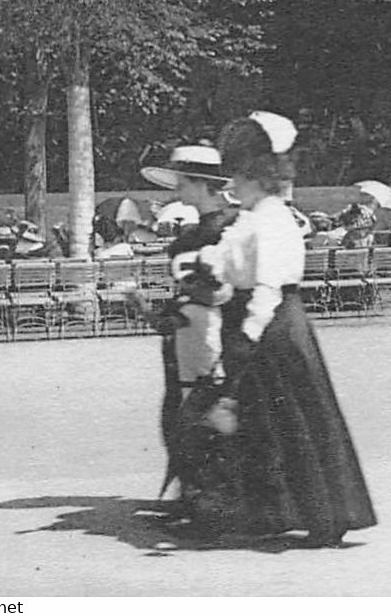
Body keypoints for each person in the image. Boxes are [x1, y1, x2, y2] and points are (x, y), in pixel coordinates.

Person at [192, 111, 376, 545]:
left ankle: (327, 516)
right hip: (255, 321)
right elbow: (228, 270)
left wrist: (247, 335)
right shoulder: (250, 217)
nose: (231, 185)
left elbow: (270, 286)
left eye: (237, 176)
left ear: (257, 177)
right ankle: (274, 511)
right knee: (264, 423)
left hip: (273, 325)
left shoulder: (273, 219)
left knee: (294, 422)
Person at [138, 144, 239, 514]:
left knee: (209, 414)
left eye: (182, 182)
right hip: (186, 337)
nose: (176, 190)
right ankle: (192, 491)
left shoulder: (234, 227)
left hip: (220, 337)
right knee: (179, 414)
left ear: (201, 184)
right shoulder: (188, 237)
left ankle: (213, 498)